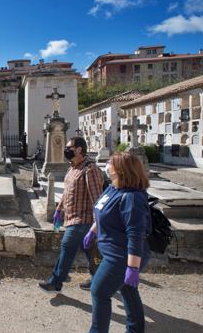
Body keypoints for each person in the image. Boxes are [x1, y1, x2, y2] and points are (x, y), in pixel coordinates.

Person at [83, 152, 150, 333]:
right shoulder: (113, 188)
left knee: (99, 291)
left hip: (121, 258)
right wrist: (92, 232)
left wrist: (133, 268)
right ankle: (136, 329)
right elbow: (102, 212)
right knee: (128, 291)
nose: (106, 165)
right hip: (110, 251)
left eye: (110, 163)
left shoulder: (132, 198)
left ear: (120, 169)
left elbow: (135, 235)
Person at [38, 137, 104, 292]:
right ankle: (99, 279)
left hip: (83, 220)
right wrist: (59, 210)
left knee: (67, 247)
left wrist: (97, 224)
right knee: (90, 251)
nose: (66, 150)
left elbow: (97, 199)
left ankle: (56, 282)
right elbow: (67, 192)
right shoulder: (72, 168)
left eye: (69, 147)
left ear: (79, 149)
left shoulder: (90, 169)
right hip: (72, 217)